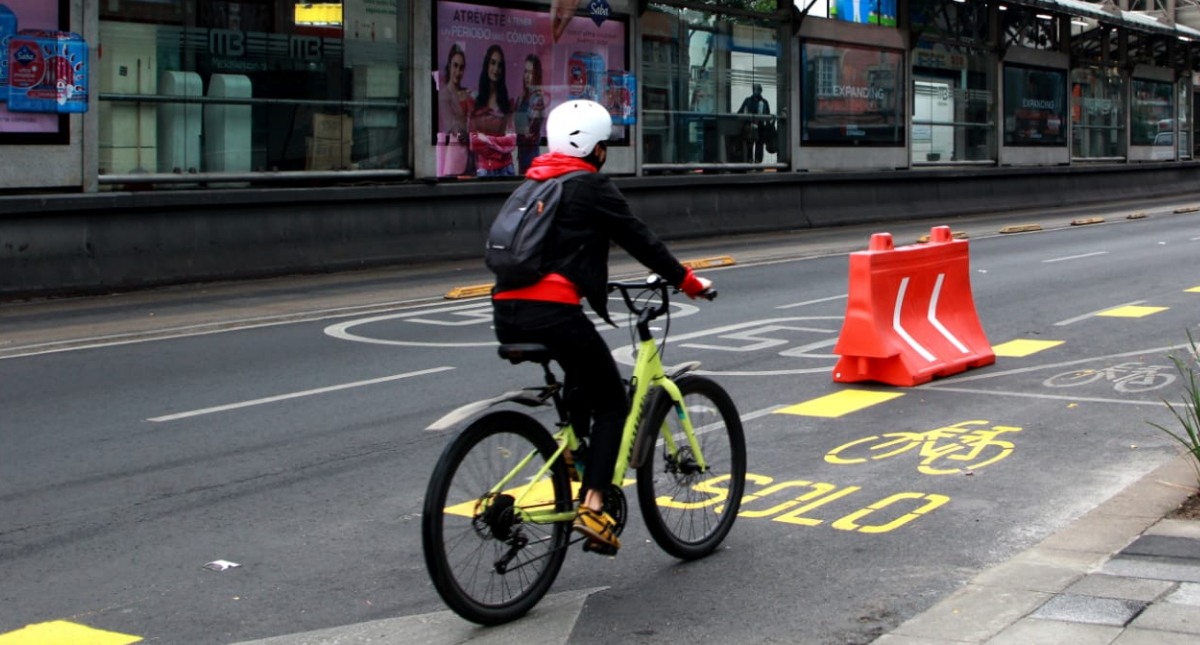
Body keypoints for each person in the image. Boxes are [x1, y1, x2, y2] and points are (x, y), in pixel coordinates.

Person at [491, 100, 713, 553]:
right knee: (612, 400)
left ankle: (575, 452)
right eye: (604, 145)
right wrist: (687, 281)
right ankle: (593, 505)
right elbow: (639, 238)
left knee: (581, 374)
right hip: (553, 312)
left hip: (506, 310)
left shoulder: (534, 183)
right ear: (595, 148)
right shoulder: (590, 185)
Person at [469, 44, 517, 177]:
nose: (496, 69)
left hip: (507, 169)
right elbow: (474, 143)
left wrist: (486, 139)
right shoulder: (475, 102)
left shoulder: (508, 103)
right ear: (487, 65)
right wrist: (500, 146)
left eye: (500, 65)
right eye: (493, 63)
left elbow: (511, 141)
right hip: (484, 170)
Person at [437, 44, 474, 177]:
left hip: (471, 158)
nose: (458, 72)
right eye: (455, 66)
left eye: (461, 67)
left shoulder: (466, 93)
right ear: (449, 66)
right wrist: (469, 136)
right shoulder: (444, 95)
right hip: (455, 159)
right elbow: (452, 127)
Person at [514, 54, 548, 174]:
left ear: (536, 75)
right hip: (521, 153)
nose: (527, 76)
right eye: (526, 72)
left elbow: (528, 133)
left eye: (531, 72)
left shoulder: (538, 100)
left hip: (531, 154)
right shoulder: (521, 99)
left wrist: (517, 131)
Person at [737, 83, 771, 163]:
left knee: (759, 146)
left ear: (760, 91)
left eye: (758, 90)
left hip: (760, 127)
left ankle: (758, 161)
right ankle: (750, 161)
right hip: (750, 127)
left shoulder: (764, 102)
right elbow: (740, 112)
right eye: (755, 89)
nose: (756, 91)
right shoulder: (748, 100)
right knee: (750, 146)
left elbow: (768, 115)